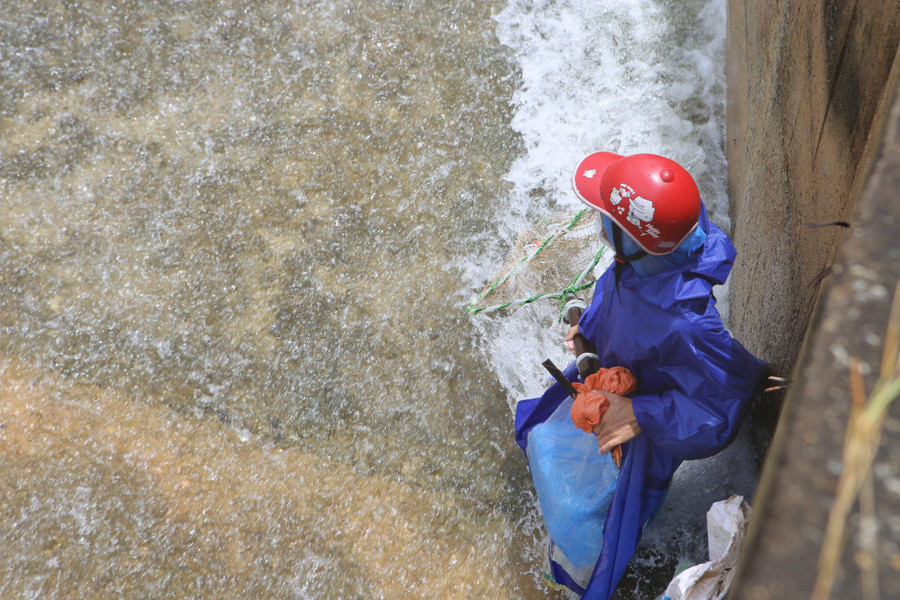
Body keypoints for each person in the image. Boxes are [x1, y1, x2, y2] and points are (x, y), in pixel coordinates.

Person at [515, 152, 767, 599]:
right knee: (544, 435)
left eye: (604, 218)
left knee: (610, 526)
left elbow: (720, 407)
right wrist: (589, 329)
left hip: (644, 418)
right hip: (615, 373)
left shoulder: (688, 323)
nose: (597, 222)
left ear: (633, 242)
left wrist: (640, 412)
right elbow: (624, 292)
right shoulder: (663, 243)